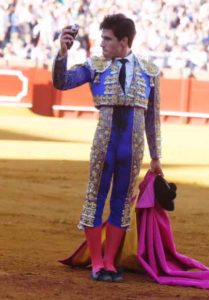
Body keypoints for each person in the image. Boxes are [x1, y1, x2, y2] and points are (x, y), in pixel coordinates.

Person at [52, 13, 163, 282]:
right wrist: (62, 52)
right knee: (95, 199)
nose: (101, 43)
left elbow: (152, 118)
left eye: (107, 39)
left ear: (123, 41)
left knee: (121, 204)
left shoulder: (149, 71)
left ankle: (110, 263)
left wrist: (156, 156)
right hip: (105, 147)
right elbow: (62, 82)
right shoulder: (96, 66)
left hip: (132, 151)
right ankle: (97, 263)